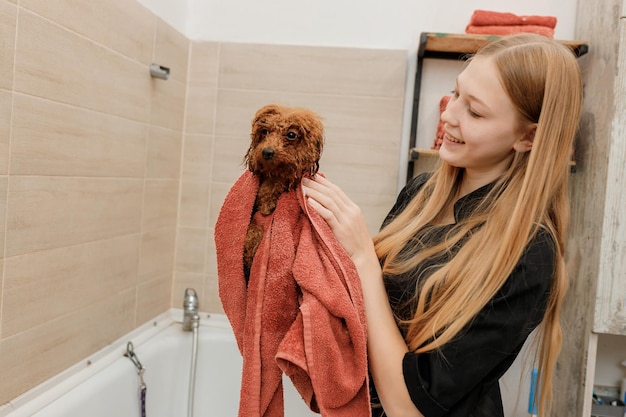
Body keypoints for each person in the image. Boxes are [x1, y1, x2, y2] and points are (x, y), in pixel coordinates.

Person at [302, 33, 583, 417]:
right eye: (456, 94)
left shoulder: (529, 255)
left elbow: (410, 408)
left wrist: (362, 256)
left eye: (476, 112)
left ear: (529, 136)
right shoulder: (420, 194)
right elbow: (364, 312)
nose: (448, 115)